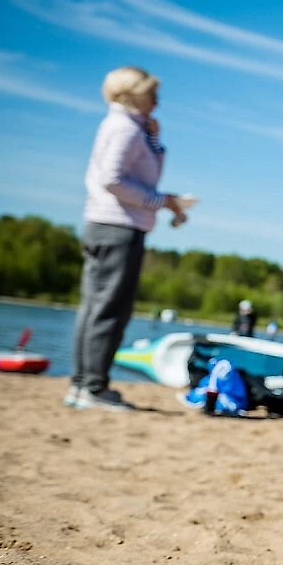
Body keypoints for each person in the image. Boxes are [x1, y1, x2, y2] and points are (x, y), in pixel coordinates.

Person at [66, 67, 191, 411]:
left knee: (95, 307)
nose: (157, 100)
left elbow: (137, 170)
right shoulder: (124, 128)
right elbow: (113, 178)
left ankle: (82, 385)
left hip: (103, 223)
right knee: (109, 310)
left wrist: (153, 138)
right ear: (132, 94)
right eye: (152, 92)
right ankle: (92, 387)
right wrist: (162, 201)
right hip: (118, 227)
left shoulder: (126, 126)